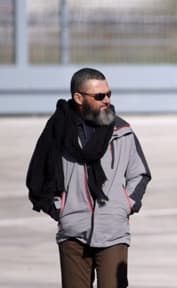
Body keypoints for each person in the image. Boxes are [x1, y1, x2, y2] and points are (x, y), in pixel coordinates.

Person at [26, 67, 151, 288]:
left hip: (113, 230)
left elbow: (139, 172)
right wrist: (60, 208)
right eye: (99, 96)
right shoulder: (58, 131)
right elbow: (39, 175)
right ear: (78, 98)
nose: (107, 101)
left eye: (109, 94)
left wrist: (125, 204)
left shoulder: (121, 130)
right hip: (73, 231)